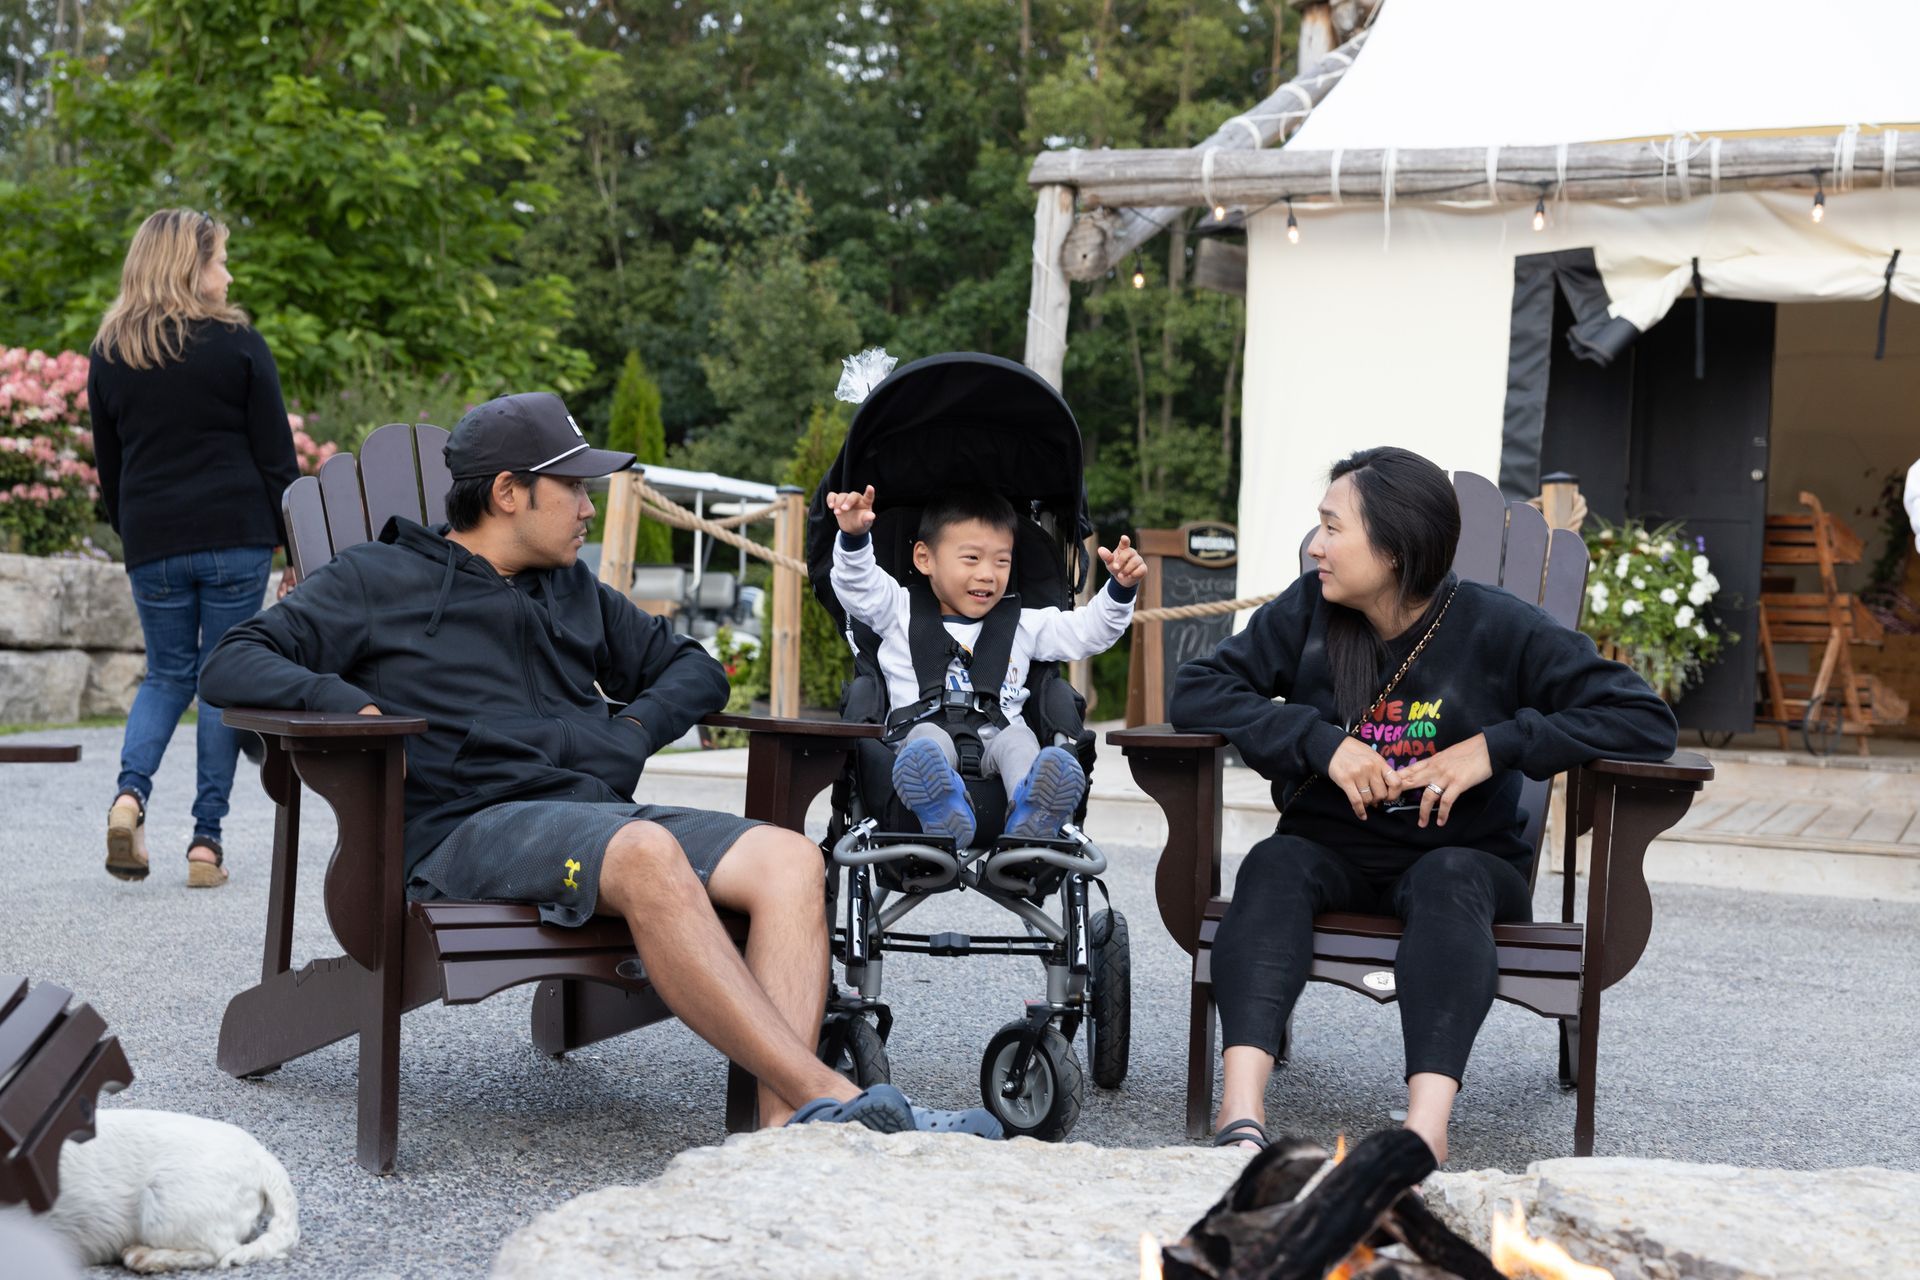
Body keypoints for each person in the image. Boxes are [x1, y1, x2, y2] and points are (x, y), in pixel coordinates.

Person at [198, 392, 1001, 1136]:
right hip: (464, 830)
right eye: (574, 489)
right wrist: (348, 704)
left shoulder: (569, 588)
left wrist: (631, 733)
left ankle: (778, 1136)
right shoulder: (379, 580)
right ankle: (834, 1097)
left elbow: (694, 667)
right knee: (646, 853)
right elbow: (234, 658)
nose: (590, 507)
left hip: (591, 820)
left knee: (790, 859)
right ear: (509, 492)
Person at [1168, 446, 1676, 1163]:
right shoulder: (1310, 610)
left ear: (1396, 548)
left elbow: (1643, 719)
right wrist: (1318, 742)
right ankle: (1240, 1109)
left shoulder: (1497, 627)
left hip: (1465, 862)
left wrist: (1496, 747)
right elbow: (1197, 691)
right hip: (1331, 850)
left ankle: (1425, 1131)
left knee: (1447, 882)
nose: (1316, 545)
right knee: (1273, 863)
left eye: (1333, 528)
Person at [89, 209, 300, 888]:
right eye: (221, 261)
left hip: (154, 537)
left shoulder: (112, 351)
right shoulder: (237, 345)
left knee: (166, 674)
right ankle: (206, 845)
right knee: (219, 676)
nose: (228, 274)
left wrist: (135, 531)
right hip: (235, 535)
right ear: (190, 266)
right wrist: (295, 545)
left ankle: (129, 798)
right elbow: (276, 457)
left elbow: (109, 465)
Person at [824, 485, 1145, 846]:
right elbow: (858, 586)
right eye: (972, 559)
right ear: (924, 558)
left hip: (999, 739)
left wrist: (1119, 589)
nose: (988, 574)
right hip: (922, 737)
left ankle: (1032, 811)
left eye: (1002, 561)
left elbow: (1087, 632)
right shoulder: (897, 610)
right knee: (925, 744)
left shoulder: (1022, 623)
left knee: (1022, 743)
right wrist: (853, 539)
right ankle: (941, 806)